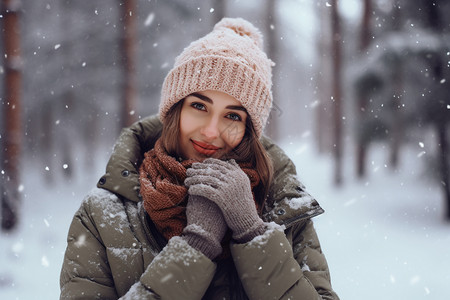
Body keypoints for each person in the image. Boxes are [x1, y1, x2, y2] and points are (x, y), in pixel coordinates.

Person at [60, 17, 339, 300]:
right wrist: (196, 246)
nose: (210, 131)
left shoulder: (283, 206)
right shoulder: (103, 214)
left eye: (232, 116)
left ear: (248, 130)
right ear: (175, 110)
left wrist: (252, 231)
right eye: (199, 106)